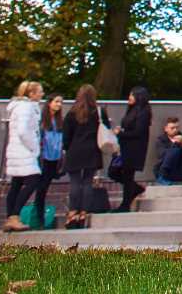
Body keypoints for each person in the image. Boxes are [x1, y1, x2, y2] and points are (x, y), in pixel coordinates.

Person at [60, 84, 107, 226]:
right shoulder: (99, 112)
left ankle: (73, 213)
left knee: (75, 182)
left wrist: (67, 148)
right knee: (87, 182)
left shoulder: (72, 113)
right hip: (92, 150)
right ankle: (83, 214)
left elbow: (66, 136)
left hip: (75, 151)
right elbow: (106, 129)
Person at [1, 80, 44, 232]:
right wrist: (34, 147)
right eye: (40, 91)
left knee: (17, 183)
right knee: (33, 181)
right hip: (24, 151)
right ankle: (14, 216)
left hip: (16, 150)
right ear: (31, 94)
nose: (42, 94)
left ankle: (10, 218)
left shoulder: (19, 107)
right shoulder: (26, 108)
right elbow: (23, 131)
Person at [111, 86, 151, 211]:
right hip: (125, 146)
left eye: (132, 95)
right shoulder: (131, 110)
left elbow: (138, 132)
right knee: (114, 172)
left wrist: (120, 134)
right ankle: (134, 190)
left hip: (134, 148)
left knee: (128, 175)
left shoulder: (144, 112)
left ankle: (126, 204)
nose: (129, 97)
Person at [35, 94, 65, 221]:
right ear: (49, 103)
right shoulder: (42, 120)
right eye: (56, 101)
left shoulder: (59, 121)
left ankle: (39, 216)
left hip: (55, 157)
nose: (59, 104)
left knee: (45, 187)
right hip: (44, 158)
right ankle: (39, 216)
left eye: (61, 102)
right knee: (41, 188)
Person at [153, 117, 182, 185]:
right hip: (167, 172)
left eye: (177, 127)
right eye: (172, 128)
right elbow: (162, 155)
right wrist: (175, 143)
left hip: (181, 171)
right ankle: (161, 178)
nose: (175, 130)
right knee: (174, 150)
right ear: (166, 129)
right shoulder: (161, 140)